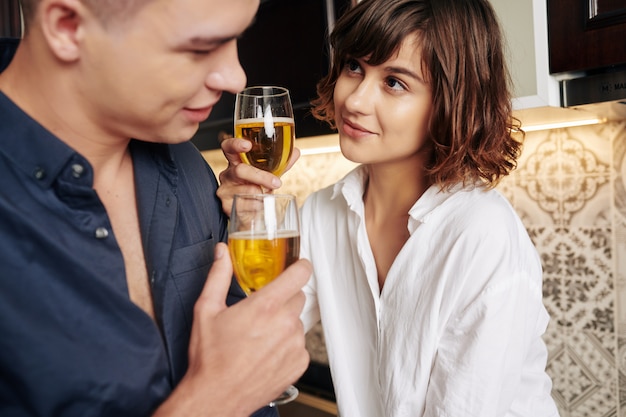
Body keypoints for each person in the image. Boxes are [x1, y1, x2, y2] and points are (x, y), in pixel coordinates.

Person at [218, 0, 560, 415]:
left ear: (449, 103)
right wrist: (245, 218)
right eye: (355, 67)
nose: (355, 100)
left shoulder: (480, 234)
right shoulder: (322, 213)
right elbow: (254, 341)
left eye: (395, 82)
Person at [0, 0, 312, 416]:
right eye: (201, 48)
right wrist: (212, 403)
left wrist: (240, 224)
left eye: (236, 38)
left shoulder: (186, 162)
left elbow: (242, 351)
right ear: (68, 26)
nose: (237, 78)